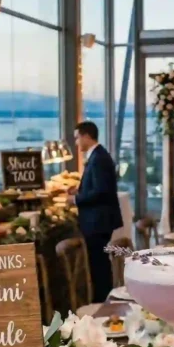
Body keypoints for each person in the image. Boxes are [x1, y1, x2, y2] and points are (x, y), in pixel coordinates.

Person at [70, 121, 123, 302]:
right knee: (100, 263)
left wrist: (75, 199)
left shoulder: (98, 158)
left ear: (86, 136)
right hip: (99, 221)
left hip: (98, 222)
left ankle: (102, 302)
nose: (76, 142)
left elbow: (101, 191)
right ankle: (104, 299)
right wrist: (79, 191)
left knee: (98, 265)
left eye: (77, 138)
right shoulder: (98, 155)